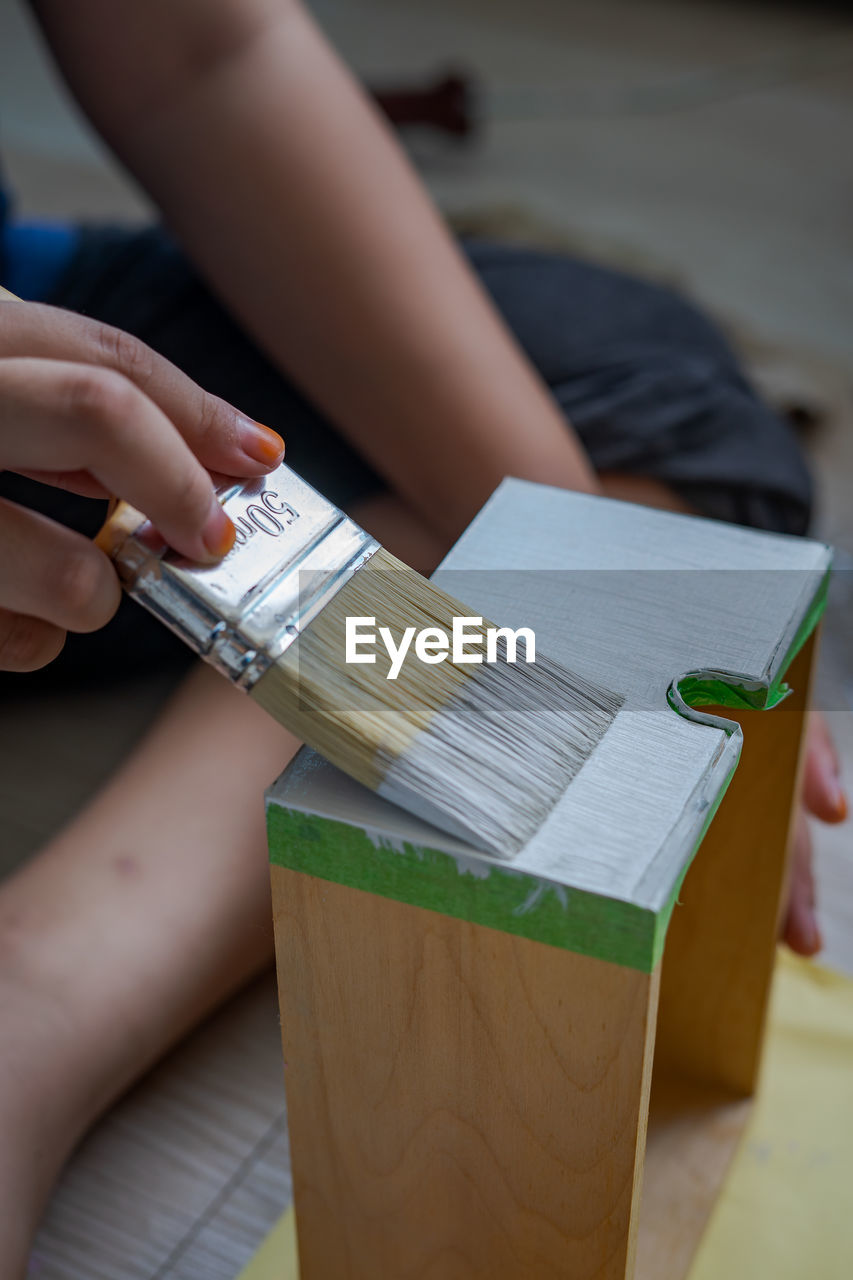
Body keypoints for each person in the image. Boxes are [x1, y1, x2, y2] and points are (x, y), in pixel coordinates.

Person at [0, 1, 846, 1272]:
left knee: (648, 384)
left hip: (32, 347)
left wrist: (592, 590)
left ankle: (44, 984)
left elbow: (206, 54)